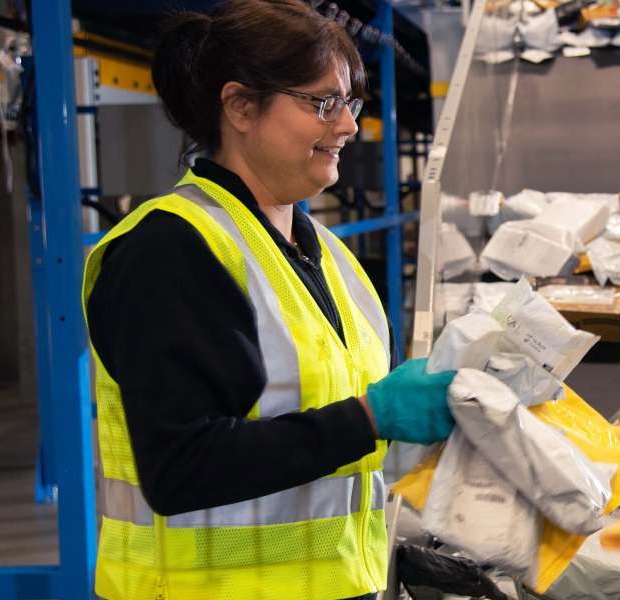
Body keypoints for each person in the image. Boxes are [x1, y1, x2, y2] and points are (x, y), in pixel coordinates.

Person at [82, 1, 457, 598]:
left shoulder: (328, 254)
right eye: (322, 102)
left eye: (351, 103)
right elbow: (182, 466)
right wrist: (370, 417)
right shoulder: (169, 249)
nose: (348, 126)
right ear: (240, 107)